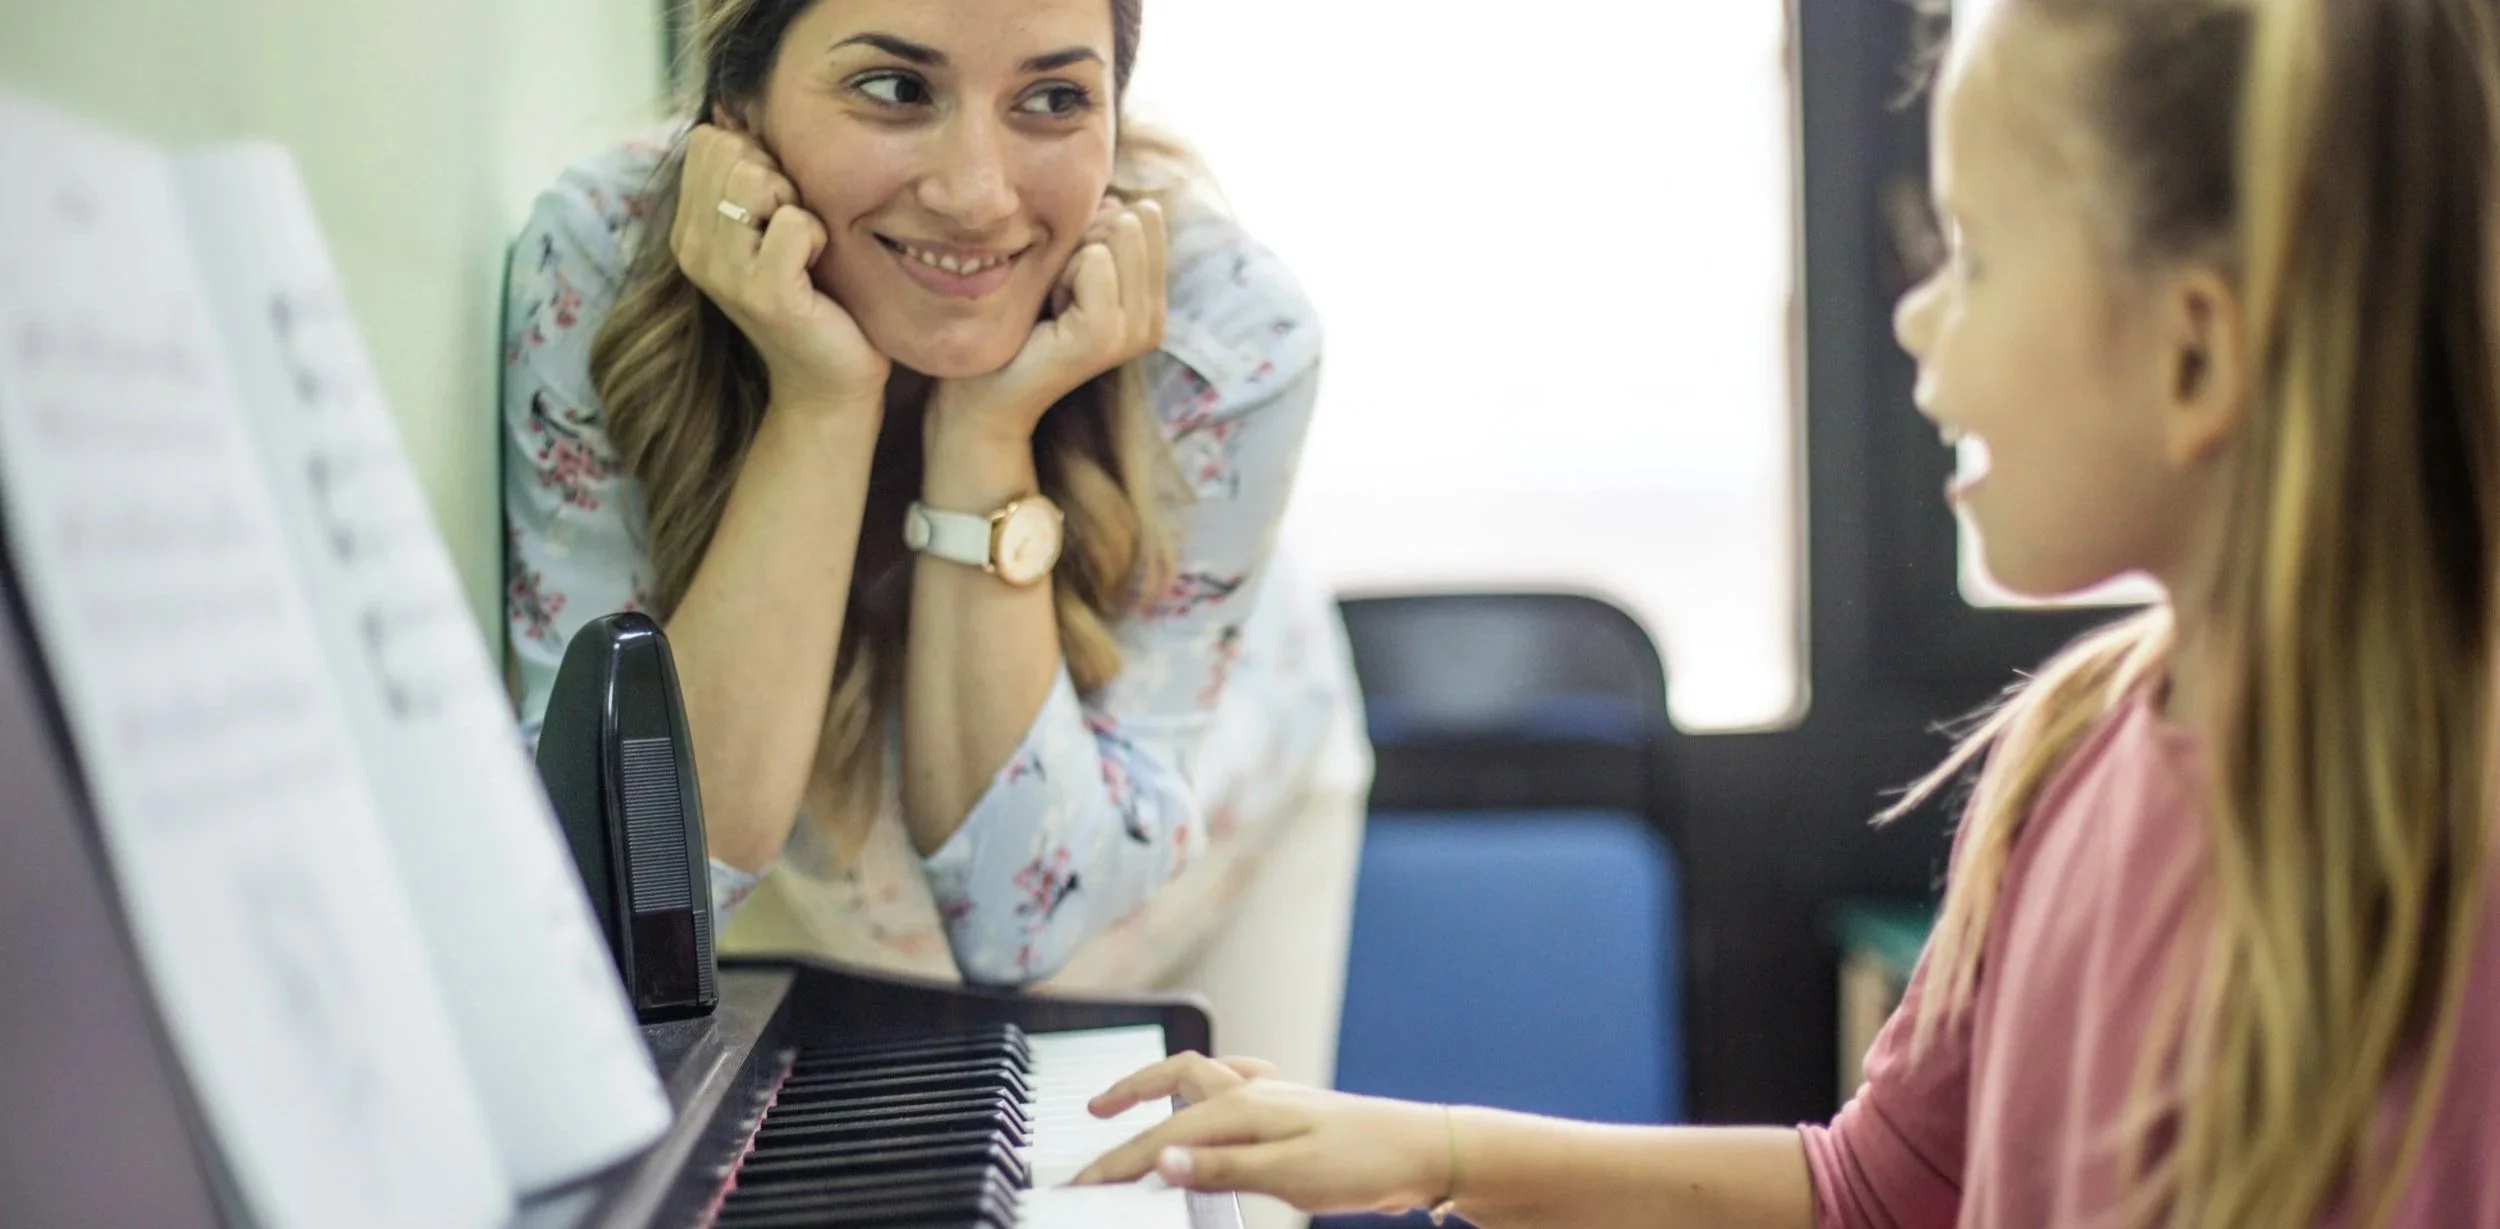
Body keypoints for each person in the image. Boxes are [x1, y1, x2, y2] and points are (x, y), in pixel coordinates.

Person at [1073, 0, 2500, 1224]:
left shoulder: (2453, 866)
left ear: (2195, 352)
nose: (1913, 318)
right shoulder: (2071, 746)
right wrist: (1422, 1145)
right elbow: (1878, 1184)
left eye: (1973, 259)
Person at [497, 0, 1369, 1107]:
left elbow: (1025, 915)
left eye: (1053, 99)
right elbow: (637, 907)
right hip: (819, 859)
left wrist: (983, 429)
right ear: (737, 99)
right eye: (896, 88)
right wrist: (822, 401)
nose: (977, 194)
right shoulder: (603, 266)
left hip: (1196, 854)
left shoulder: (1226, 330)